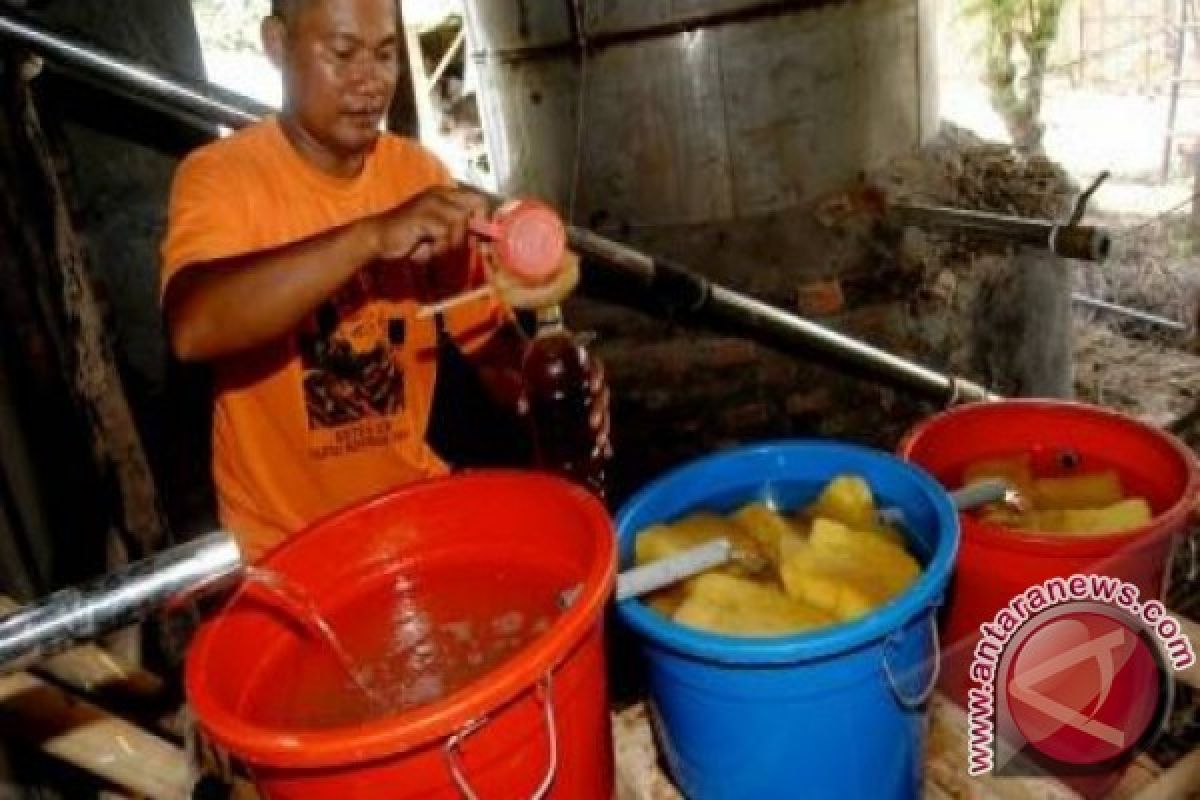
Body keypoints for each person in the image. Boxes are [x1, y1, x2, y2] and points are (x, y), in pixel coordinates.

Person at [161, 0, 608, 562]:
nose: (369, 81)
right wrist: (369, 237)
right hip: (287, 551)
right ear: (276, 45)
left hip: (412, 516)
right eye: (343, 53)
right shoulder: (220, 177)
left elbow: (491, 352)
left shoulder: (417, 175)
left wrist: (550, 379)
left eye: (386, 53)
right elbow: (194, 326)